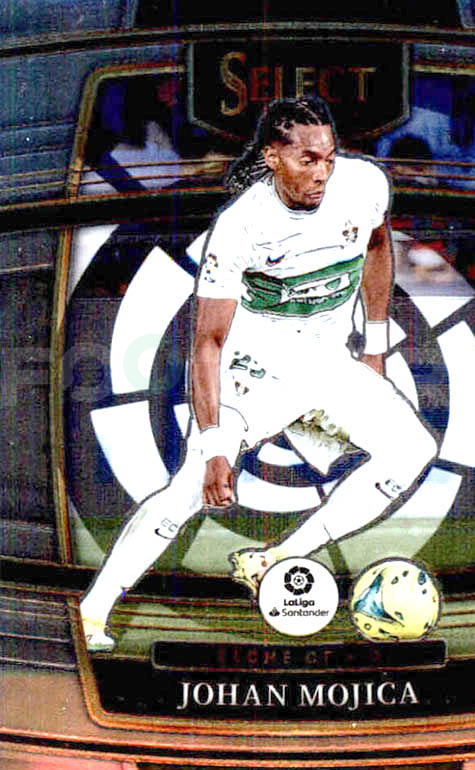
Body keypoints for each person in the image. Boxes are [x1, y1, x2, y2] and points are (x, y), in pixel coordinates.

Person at [80, 97, 437, 651]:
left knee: (413, 450)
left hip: (326, 365)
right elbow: (208, 342)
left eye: (329, 158)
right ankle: (93, 611)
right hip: (253, 371)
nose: (322, 172)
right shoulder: (241, 226)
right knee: (189, 488)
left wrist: (374, 344)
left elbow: (376, 246)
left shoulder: (364, 184)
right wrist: (215, 447)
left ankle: (279, 558)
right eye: (307, 160)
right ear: (272, 157)